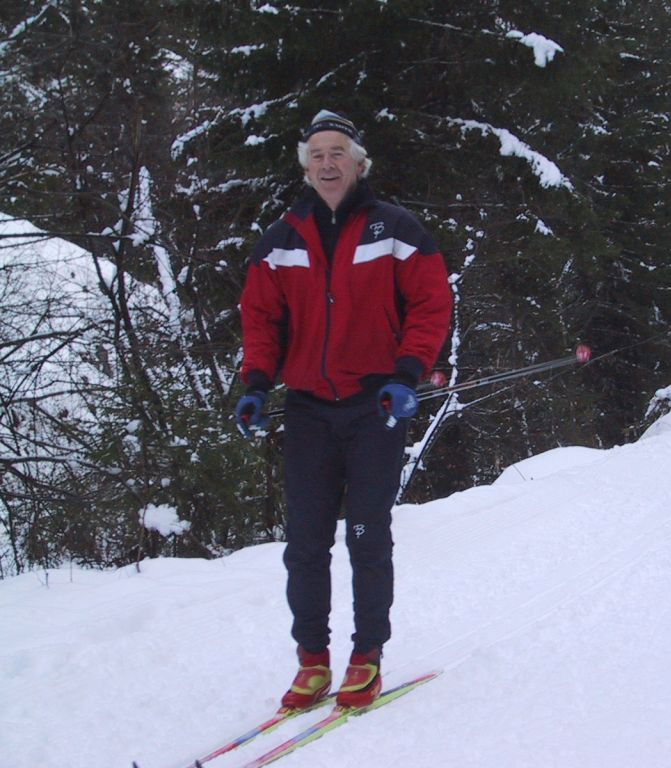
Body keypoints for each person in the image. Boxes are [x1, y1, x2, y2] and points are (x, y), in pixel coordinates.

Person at [234, 109, 452, 711]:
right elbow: (261, 318)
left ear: (358, 163)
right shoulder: (281, 240)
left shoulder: (395, 229)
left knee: (365, 534)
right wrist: (256, 384)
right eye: (317, 155)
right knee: (305, 542)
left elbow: (430, 304)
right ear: (305, 167)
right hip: (308, 409)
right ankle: (312, 660)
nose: (327, 164)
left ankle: (367, 655)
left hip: (375, 405)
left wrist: (407, 373)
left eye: (338, 153)